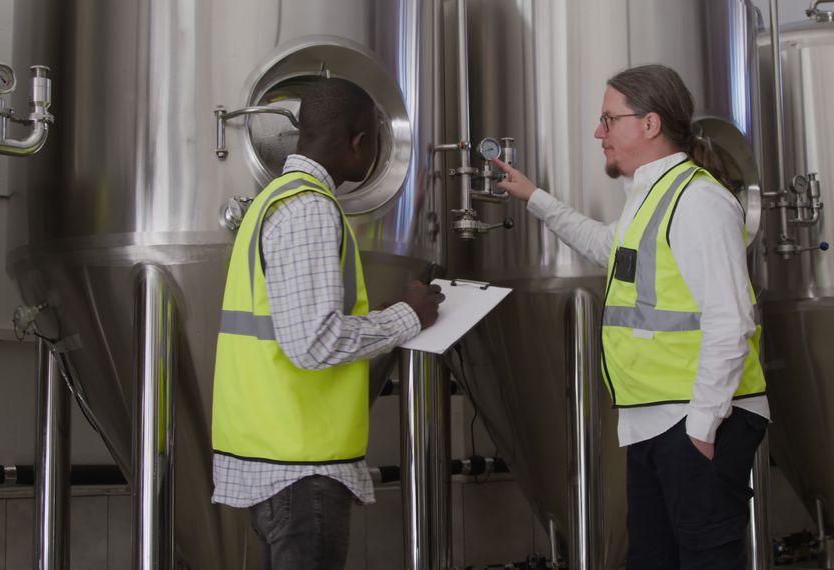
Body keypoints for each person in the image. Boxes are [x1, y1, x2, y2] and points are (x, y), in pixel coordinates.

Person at [494, 64, 770, 568]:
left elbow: (730, 322)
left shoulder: (699, 200)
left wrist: (702, 428)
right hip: (655, 420)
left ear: (649, 124)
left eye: (608, 119)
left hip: (696, 418)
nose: (599, 133)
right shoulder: (650, 199)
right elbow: (606, 245)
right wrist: (535, 198)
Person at [210, 77, 443, 569]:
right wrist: (408, 316)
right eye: (375, 144)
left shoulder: (271, 202)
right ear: (358, 141)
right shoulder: (311, 210)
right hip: (301, 472)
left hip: (272, 459)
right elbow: (314, 344)